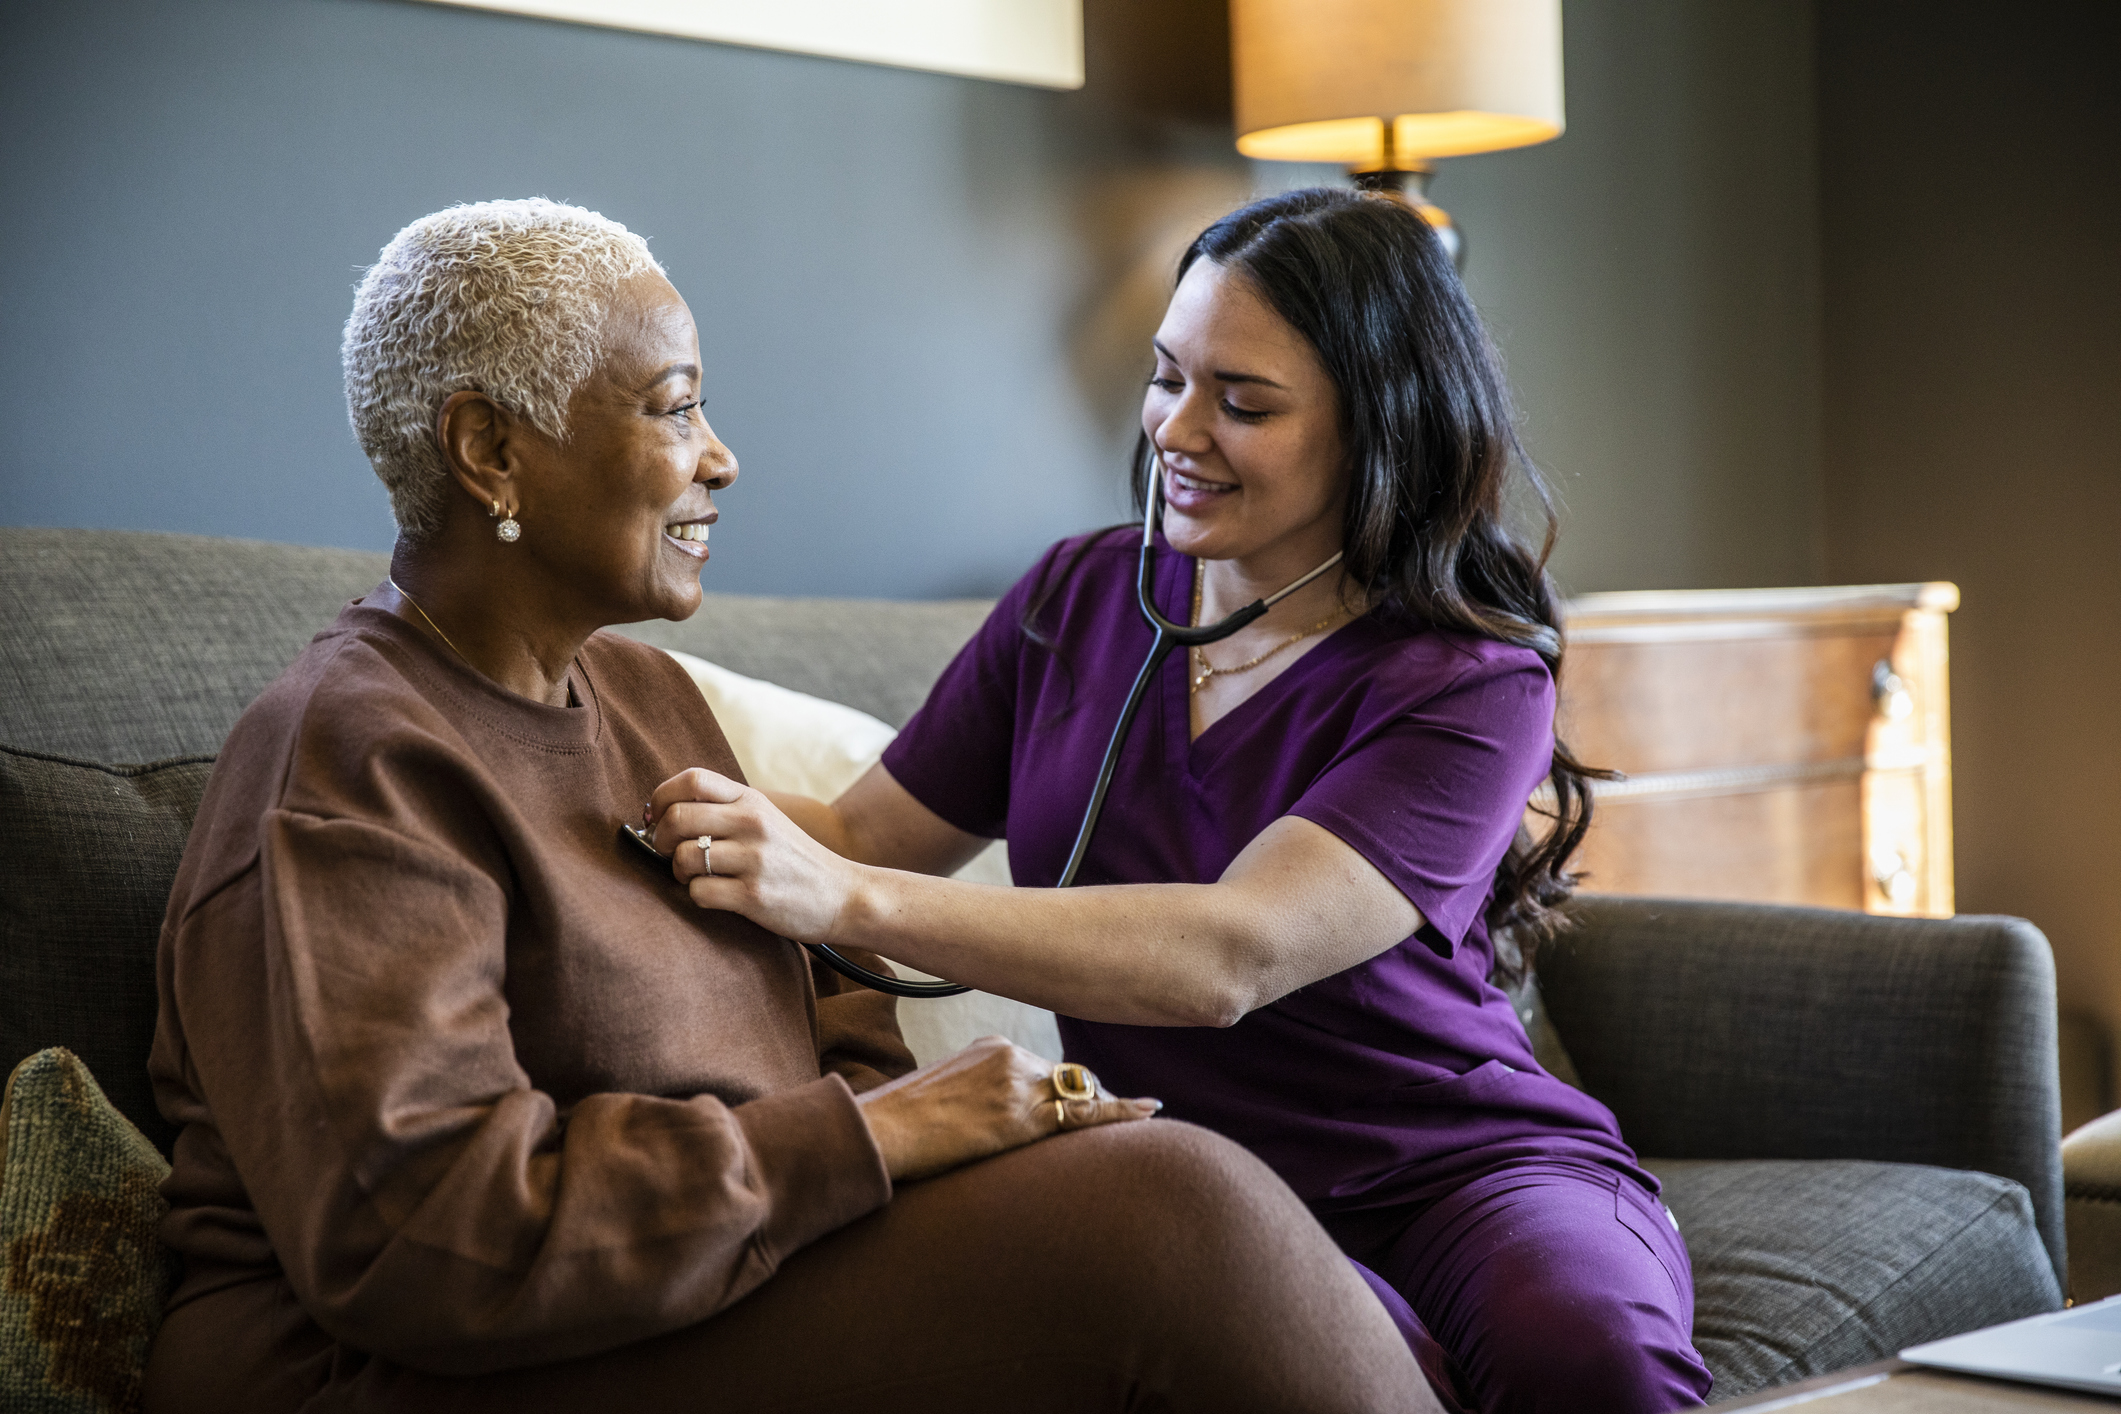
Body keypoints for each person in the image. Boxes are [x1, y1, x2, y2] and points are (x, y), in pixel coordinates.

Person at [142, 198, 1437, 1414]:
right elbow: (429, 1236)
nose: (721, 456)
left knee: (1164, 1196)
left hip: (723, 1262)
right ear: (491, 451)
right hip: (415, 1357)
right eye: (673, 406)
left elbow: (833, 1012)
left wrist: (924, 1132)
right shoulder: (349, 757)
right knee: (1171, 1216)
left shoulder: (644, 698)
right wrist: (870, 1135)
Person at [646, 189, 1716, 1414]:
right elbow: (858, 831)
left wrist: (847, 896)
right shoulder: (1078, 600)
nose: (1176, 429)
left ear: (1382, 425)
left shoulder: (1467, 683)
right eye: (1166, 379)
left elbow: (1234, 951)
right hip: (1189, 1179)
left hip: (1459, 1173)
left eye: (1243, 402)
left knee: (1588, 1360)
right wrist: (592, 784)